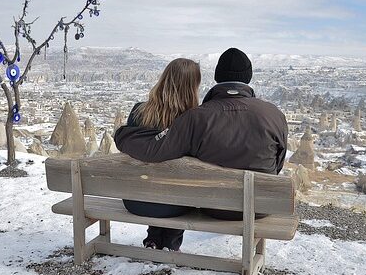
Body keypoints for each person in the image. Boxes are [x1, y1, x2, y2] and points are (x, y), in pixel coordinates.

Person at [115, 47, 288, 246]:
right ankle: (169, 243)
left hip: (205, 205)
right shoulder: (274, 114)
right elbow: (278, 163)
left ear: (216, 76)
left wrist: (124, 133)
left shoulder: (197, 118)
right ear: (248, 77)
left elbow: (157, 151)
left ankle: (157, 241)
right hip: (260, 204)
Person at [121, 57, 202, 251]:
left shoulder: (138, 112)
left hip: (135, 200)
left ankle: (154, 239)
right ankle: (171, 244)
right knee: (178, 187)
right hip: (175, 205)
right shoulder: (194, 120)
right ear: (193, 87)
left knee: (154, 180)